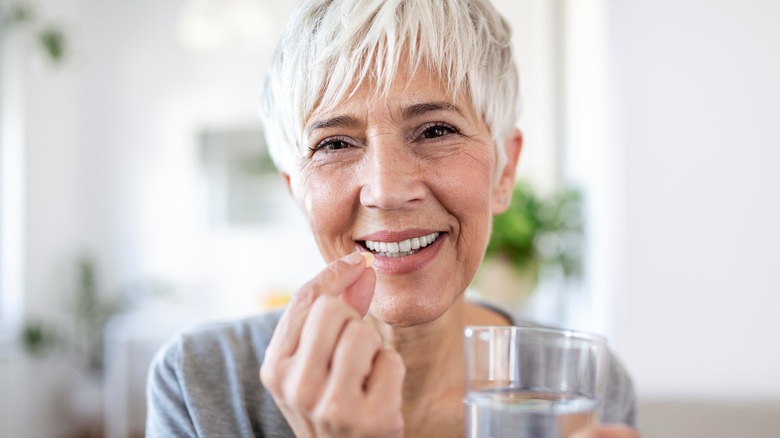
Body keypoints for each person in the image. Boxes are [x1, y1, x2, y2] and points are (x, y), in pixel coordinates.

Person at [146, 0, 640, 436]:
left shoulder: (579, 384)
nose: (385, 190)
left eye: (435, 131)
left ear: (504, 171)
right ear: (297, 191)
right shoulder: (198, 383)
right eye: (334, 144)